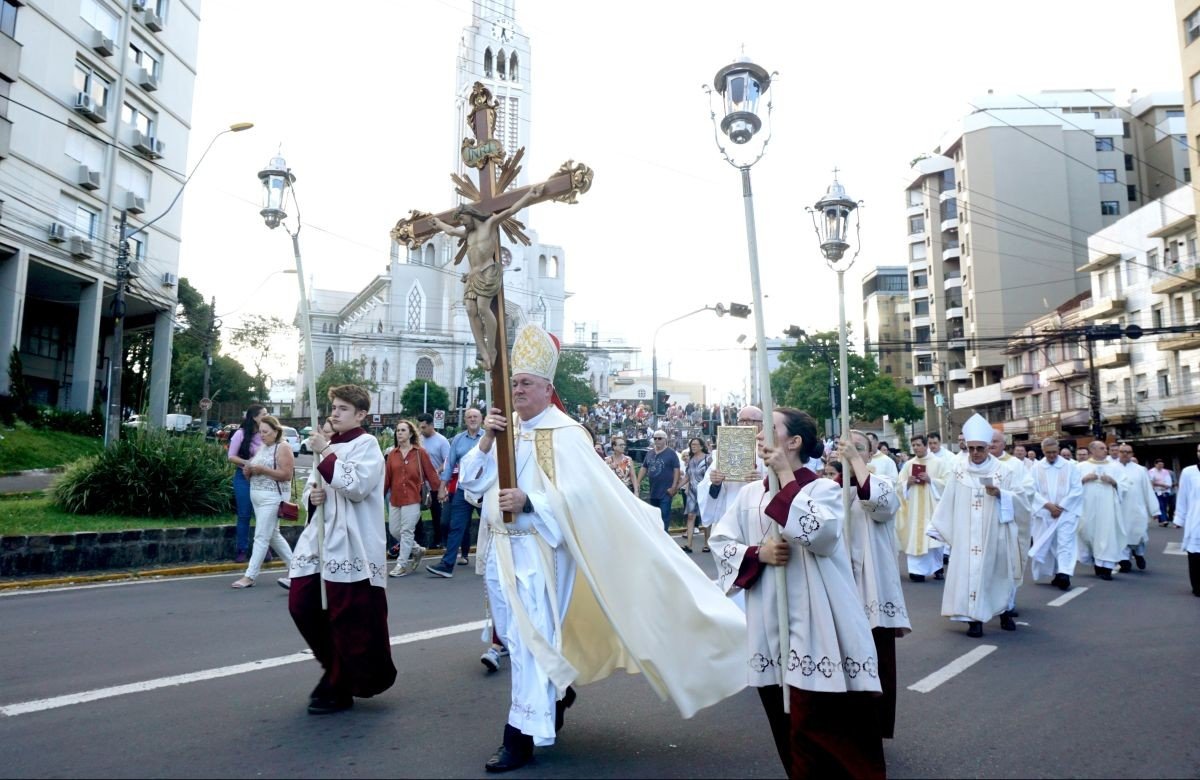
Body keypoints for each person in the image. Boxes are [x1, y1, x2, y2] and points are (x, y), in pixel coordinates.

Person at [457, 324, 746, 773]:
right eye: (513, 383)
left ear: (547, 389)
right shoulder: (504, 432)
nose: (517, 390)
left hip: (541, 555)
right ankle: (557, 689)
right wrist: (488, 441)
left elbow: (585, 497)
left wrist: (531, 501)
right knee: (517, 639)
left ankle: (518, 738)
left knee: (532, 641)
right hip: (500, 554)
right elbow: (472, 487)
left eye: (526, 383)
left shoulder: (566, 433)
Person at [709, 409, 886, 779]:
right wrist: (758, 553)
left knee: (821, 728)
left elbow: (820, 535)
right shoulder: (746, 495)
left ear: (794, 442)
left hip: (818, 624)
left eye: (770, 429)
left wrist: (786, 477)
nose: (759, 436)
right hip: (770, 623)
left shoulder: (823, 489)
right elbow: (721, 541)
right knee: (786, 728)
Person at [289, 385, 396, 715]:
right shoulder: (328, 445)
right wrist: (313, 498)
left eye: (343, 409)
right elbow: (313, 487)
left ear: (360, 414)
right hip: (320, 539)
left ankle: (337, 683)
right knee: (301, 603)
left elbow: (356, 487)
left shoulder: (368, 446)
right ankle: (336, 670)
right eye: (333, 407)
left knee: (347, 618)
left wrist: (324, 453)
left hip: (351, 545)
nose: (334, 413)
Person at [928, 414, 1026, 637]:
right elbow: (948, 500)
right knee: (968, 576)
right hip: (966, 536)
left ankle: (1004, 612)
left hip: (996, 533)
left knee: (998, 575)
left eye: (979, 449)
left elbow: (1022, 501)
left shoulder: (1005, 471)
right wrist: (938, 527)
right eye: (971, 449)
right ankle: (973, 621)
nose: (975, 453)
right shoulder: (959, 470)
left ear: (988, 447)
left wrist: (1002, 494)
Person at [428, 184, 544, 369]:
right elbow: (450, 231)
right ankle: (482, 350)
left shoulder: (489, 224)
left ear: (472, 215)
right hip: (472, 277)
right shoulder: (469, 234)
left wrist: (529, 196)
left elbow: (511, 210)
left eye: (465, 220)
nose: (464, 224)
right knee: (470, 310)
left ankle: (492, 348)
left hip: (488, 272)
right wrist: (438, 223)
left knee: (483, 307)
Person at [842, 430, 909, 742]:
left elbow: (880, 505)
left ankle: (875, 725)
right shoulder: (829, 488)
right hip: (840, 585)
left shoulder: (880, 483)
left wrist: (854, 460)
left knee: (877, 656)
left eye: (860, 449)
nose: (852, 453)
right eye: (847, 448)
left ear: (870, 455)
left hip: (871, 588)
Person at [231, 414, 295, 589]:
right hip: (257, 495)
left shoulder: (283, 447)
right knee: (273, 535)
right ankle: (297, 569)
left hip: (273, 497)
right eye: (260, 432)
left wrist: (263, 470)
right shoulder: (263, 447)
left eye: (266, 432)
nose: (262, 435)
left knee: (261, 536)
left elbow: (286, 475)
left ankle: (250, 576)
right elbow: (253, 467)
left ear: (276, 431)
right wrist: (249, 470)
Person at [384, 420, 441, 578]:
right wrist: (379, 496)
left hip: (413, 497)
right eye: (398, 430)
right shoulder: (392, 455)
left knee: (407, 531)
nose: (399, 433)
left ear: (410, 433)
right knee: (394, 530)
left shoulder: (419, 452)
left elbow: (430, 473)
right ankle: (417, 550)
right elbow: (387, 478)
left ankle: (401, 565)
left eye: (403, 430)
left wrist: (440, 491)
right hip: (395, 498)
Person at [697, 405, 765, 537]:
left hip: (759, 513)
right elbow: (706, 486)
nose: (745, 424)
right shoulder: (725, 449)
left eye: (750, 421)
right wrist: (715, 482)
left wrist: (762, 481)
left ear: (761, 424)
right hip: (729, 511)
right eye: (741, 420)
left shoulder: (768, 449)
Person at [1028, 438, 1083, 591]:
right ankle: (1057, 573)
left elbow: (1077, 489)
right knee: (1050, 545)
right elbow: (1031, 491)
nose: (1051, 455)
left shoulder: (1071, 466)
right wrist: (1049, 507)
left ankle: (1065, 573)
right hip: (1045, 513)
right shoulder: (1036, 468)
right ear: (1043, 452)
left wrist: (1061, 506)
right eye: (1048, 453)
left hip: (1066, 513)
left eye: (1054, 452)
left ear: (1058, 450)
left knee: (1065, 543)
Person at [440, 407, 485, 575]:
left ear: (481, 419)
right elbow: (449, 464)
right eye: (469, 417)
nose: (472, 419)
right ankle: (446, 564)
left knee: (489, 526)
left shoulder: (490, 438)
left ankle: (493, 562)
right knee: (455, 526)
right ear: (465, 420)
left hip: (484, 490)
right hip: (463, 489)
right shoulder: (458, 440)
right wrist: (442, 487)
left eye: (475, 416)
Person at [895, 434, 947, 582]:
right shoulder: (908, 465)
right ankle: (916, 571)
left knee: (933, 540)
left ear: (926, 446)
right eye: (914, 446)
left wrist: (931, 480)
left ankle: (937, 568)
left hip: (932, 508)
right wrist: (908, 483)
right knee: (915, 538)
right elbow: (898, 485)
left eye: (918, 445)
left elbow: (948, 483)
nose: (916, 448)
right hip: (914, 510)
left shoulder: (938, 463)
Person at [1076, 441, 1126, 581]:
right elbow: (1071, 486)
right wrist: (1084, 479)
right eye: (1102, 448)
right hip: (1087, 508)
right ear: (1092, 450)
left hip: (1108, 509)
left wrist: (1114, 482)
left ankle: (1107, 568)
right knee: (1088, 534)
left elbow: (1125, 484)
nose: (1106, 450)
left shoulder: (1115, 467)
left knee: (1107, 535)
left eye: (1106, 448)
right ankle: (1098, 563)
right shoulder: (1081, 467)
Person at [227, 404, 267, 563]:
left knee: (263, 515)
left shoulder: (267, 435)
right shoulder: (240, 433)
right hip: (243, 477)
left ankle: (264, 549)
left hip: (263, 477)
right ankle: (242, 550)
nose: (266, 416)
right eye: (263, 414)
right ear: (254, 417)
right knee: (244, 514)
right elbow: (231, 456)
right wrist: (247, 463)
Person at [1114, 443, 1158, 573]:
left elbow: (1147, 489)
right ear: (1118, 453)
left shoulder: (1140, 470)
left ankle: (1139, 554)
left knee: (1139, 534)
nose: (1125, 454)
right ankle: (1124, 560)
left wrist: (1154, 509)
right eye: (1122, 451)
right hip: (1119, 509)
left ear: (1132, 454)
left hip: (1137, 507)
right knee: (1120, 534)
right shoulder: (1111, 468)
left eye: (1128, 452)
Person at [416, 412, 451, 552]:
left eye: (424, 427)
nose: (421, 430)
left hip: (436, 484)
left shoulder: (442, 441)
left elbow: (448, 461)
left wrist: (436, 471)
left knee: (437, 514)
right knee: (415, 513)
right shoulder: (419, 440)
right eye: (420, 427)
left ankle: (439, 541)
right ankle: (420, 541)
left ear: (431, 425)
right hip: (420, 484)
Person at [635, 429, 682, 533]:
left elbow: (676, 470)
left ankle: (665, 537)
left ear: (665, 439)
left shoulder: (671, 453)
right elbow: (644, 468)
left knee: (664, 515)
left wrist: (674, 487)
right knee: (654, 516)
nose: (657, 440)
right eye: (655, 438)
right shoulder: (650, 453)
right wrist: (638, 482)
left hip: (666, 491)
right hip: (653, 490)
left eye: (659, 438)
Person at [1172, 443, 1200, 596]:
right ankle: (1197, 585)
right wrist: (1179, 518)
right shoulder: (1189, 472)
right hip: (1196, 517)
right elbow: (1182, 496)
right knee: (1196, 554)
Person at [682, 437, 712, 554]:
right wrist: (676, 487)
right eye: (691, 445)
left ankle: (706, 543)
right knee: (690, 516)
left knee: (705, 517)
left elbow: (711, 474)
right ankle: (689, 544)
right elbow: (687, 476)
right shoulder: (690, 460)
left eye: (695, 444)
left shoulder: (708, 459)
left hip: (704, 491)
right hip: (692, 492)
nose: (693, 446)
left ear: (701, 446)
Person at [1150, 458, 1175, 527]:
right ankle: (1164, 520)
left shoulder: (1166, 471)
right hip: (1157, 491)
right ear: (1155, 464)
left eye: (1162, 464)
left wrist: (1168, 486)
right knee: (1160, 505)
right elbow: (1151, 482)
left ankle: (1161, 521)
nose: (1161, 466)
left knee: (1164, 505)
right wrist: (1161, 485)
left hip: (1166, 491)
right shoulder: (1151, 471)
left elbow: (1169, 480)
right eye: (1159, 464)